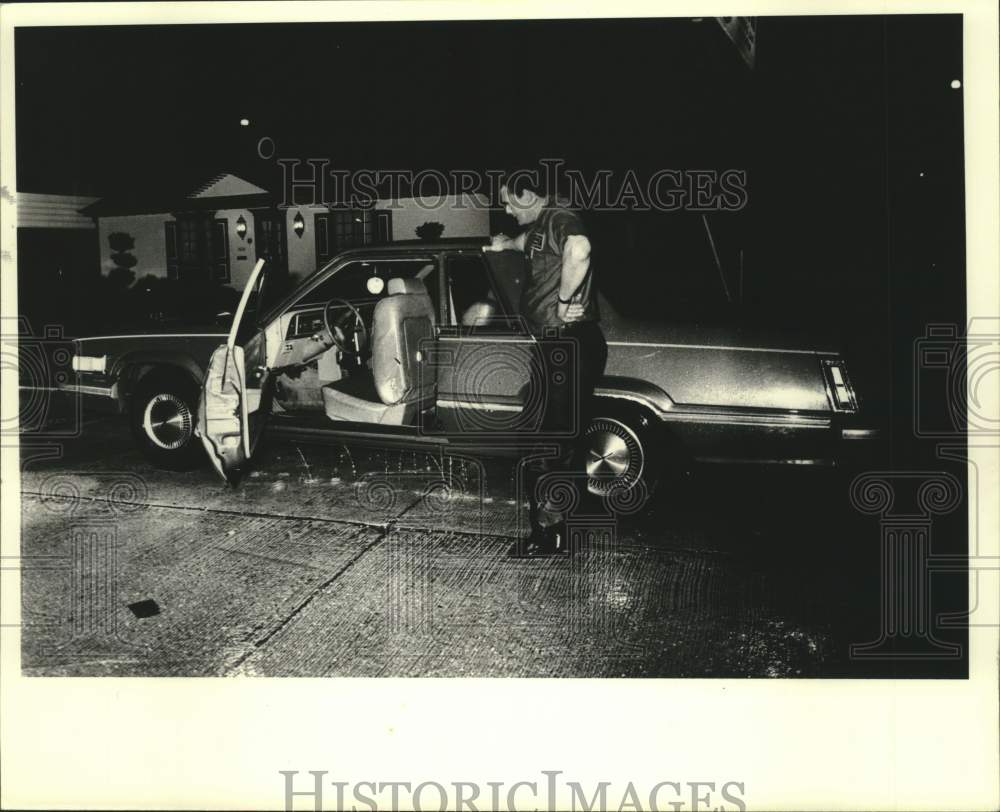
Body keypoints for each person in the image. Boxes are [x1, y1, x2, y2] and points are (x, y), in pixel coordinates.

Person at [484, 171, 607, 557]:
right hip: (555, 346)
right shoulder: (542, 226)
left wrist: (566, 301)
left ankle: (551, 537)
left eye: (507, 201)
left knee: (550, 442)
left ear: (527, 193)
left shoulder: (559, 216)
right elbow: (529, 244)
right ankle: (557, 530)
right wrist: (507, 243)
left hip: (565, 344)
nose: (504, 209)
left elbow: (580, 248)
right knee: (542, 436)